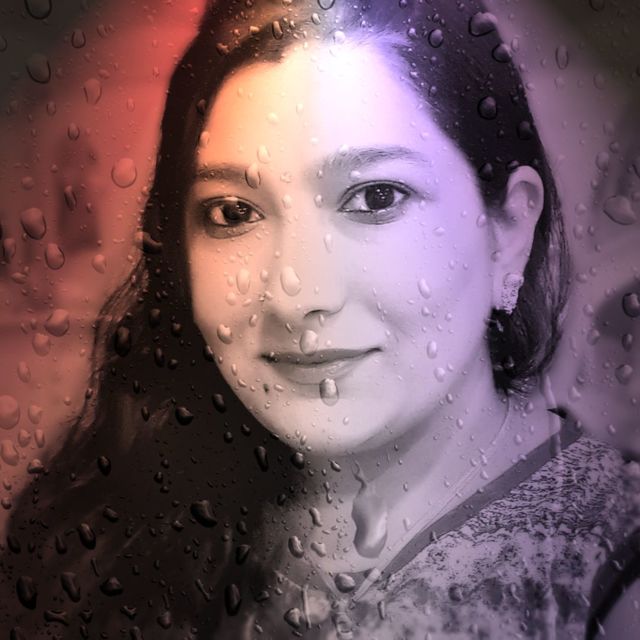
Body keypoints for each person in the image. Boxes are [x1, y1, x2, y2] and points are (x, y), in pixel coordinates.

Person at [1, 1, 638, 638]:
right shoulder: (130, 529)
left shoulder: (613, 571)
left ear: (509, 230)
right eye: (232, 213)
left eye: (375, 197)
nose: (297, 294)